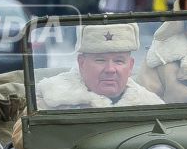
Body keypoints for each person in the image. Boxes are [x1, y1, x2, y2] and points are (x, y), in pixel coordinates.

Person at [34, 22, 164, 109]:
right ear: (81, 63)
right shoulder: (51, 96)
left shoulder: (150, 105)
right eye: (100, 60)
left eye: (119, 61)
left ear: (130, 66)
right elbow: (24, 140)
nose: (110, 70)